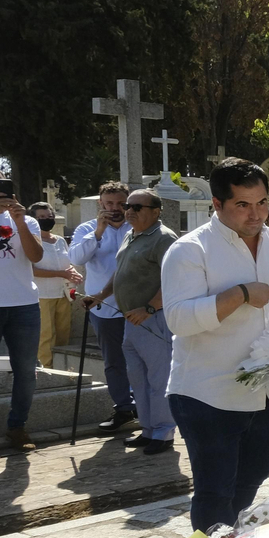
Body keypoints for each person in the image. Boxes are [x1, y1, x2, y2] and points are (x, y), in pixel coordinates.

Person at [162, 159, 269, 532]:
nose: (256, 214)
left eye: (262, 202)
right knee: (215, 495)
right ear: (217, 204)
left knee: (246, 489)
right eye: (243, 204)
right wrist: (240, 294)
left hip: (267, 394)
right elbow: (178, 319)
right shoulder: (190, 250)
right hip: (207, 394)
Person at [85, 190, 179, 453]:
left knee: (159, 379)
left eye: (137, 207)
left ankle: (164, 433)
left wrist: (150, 307)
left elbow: (173, 279)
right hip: (131, 321)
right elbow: (121, 271)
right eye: (128, 206)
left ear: (156, 211)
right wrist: (100, 295)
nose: (129, 211)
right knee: (138, 379)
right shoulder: (131, 234)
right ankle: (148, 430)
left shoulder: (164, 238)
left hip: (153, 319)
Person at [71, 181, 135, 431]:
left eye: (120, 203)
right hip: (104, 307)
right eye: (109, 203)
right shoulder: (87, 229)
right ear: (101, 204)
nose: (115, 208)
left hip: (138, 305)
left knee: (144, 359)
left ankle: (147, 407)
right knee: (113, 361)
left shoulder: (138, 226)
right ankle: (123, 407)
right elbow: (76, 258)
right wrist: (98, 231)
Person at [0, 170, 43, 457]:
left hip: (23, 304)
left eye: (2, 185)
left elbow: (36, 257)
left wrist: (21, 221)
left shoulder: (27, 220)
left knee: (26, 371)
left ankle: (17, 426)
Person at [28, 202, 81, 367]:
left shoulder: (59, 241)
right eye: (42, 217)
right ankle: (46, 370)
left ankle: (63, 369)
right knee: (46, 336)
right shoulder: (31, 242)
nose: (46, 219)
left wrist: (72, 272)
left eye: (49, 216)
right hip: (42, 295)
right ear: (33, 219)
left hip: (63, 294)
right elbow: (31, 270)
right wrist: (61, 273)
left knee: (63, 334)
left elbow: (66, 263)